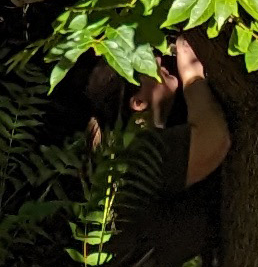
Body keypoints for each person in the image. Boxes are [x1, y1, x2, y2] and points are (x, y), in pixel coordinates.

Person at [81, 31, 232, 264]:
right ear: (138, 102)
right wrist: (192, 78)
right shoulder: (140, 153)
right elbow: (215, 138)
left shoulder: (121, 157)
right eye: (146, 63)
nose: (160, 60)